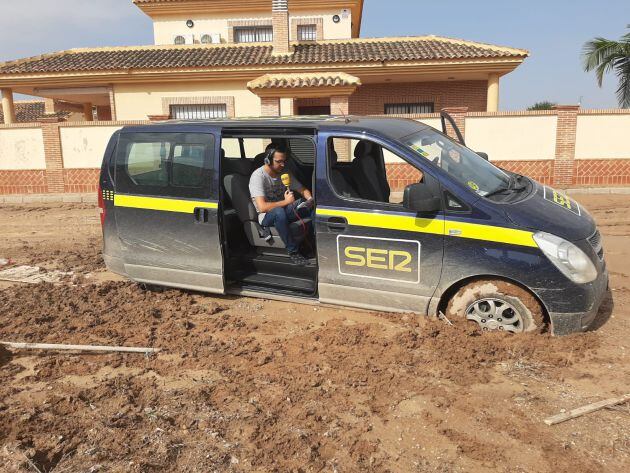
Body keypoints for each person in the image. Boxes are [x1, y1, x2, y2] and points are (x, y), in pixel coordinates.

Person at [248, 146, 314, 265]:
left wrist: (310, 199)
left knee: (308, 207)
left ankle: (313, 243)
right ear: (268, 161)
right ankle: (293, 251)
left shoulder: (284, 172)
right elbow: (262, 207)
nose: (283, 164)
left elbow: (302, 189)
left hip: (285, 210)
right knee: (279, 211)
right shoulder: (258, 177)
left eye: (284, 161)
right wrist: (286, 202)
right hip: (267, 216)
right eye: (279, 161)